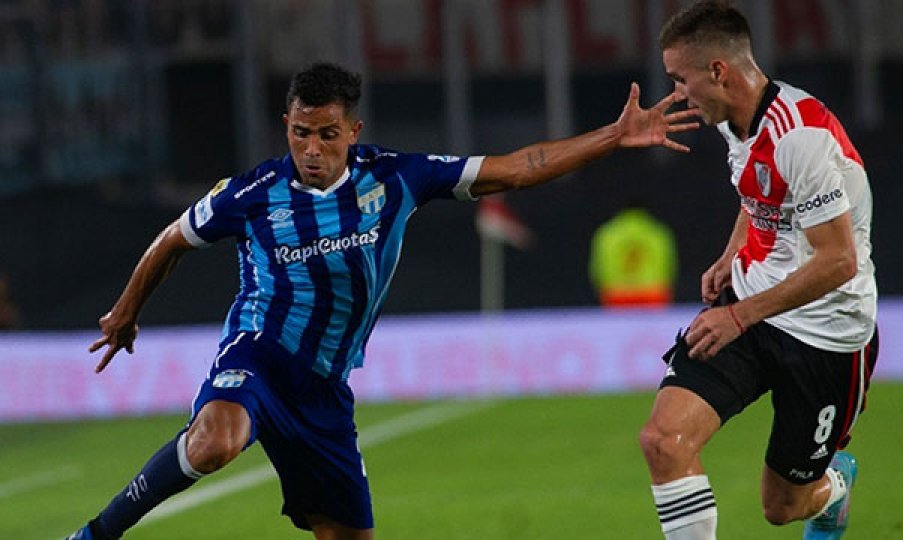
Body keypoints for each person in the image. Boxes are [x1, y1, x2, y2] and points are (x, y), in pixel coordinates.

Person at [67, 62, 699, 540]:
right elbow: (173, 238)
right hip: (259, 355)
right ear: (286, 127)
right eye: (299, 133)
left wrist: (612, 136)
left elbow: (517, 167)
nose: (311, 150)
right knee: (215, 440)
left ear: (353, 131)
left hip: (324, 390)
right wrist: (126, 311)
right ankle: (95, 534)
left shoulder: (396, 177)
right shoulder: (252, 193)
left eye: (327, 135)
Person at [637, 3, 879, 540]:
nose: (677, 93)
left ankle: (835, 488)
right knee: (663, 441)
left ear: (718, 71)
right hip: (751, 307)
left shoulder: (801, 137)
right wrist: (733, 254)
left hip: (826, 332)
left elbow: (839, 260)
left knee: (783, 507)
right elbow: (758, 191)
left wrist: (739, 316)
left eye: (680, 78)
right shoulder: (735, 120)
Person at [589, 206, 678, 307]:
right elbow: (669, 266)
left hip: (616, 294)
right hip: (653, 293)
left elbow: (599, 268)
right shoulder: (658, 232)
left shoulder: (607, 233)